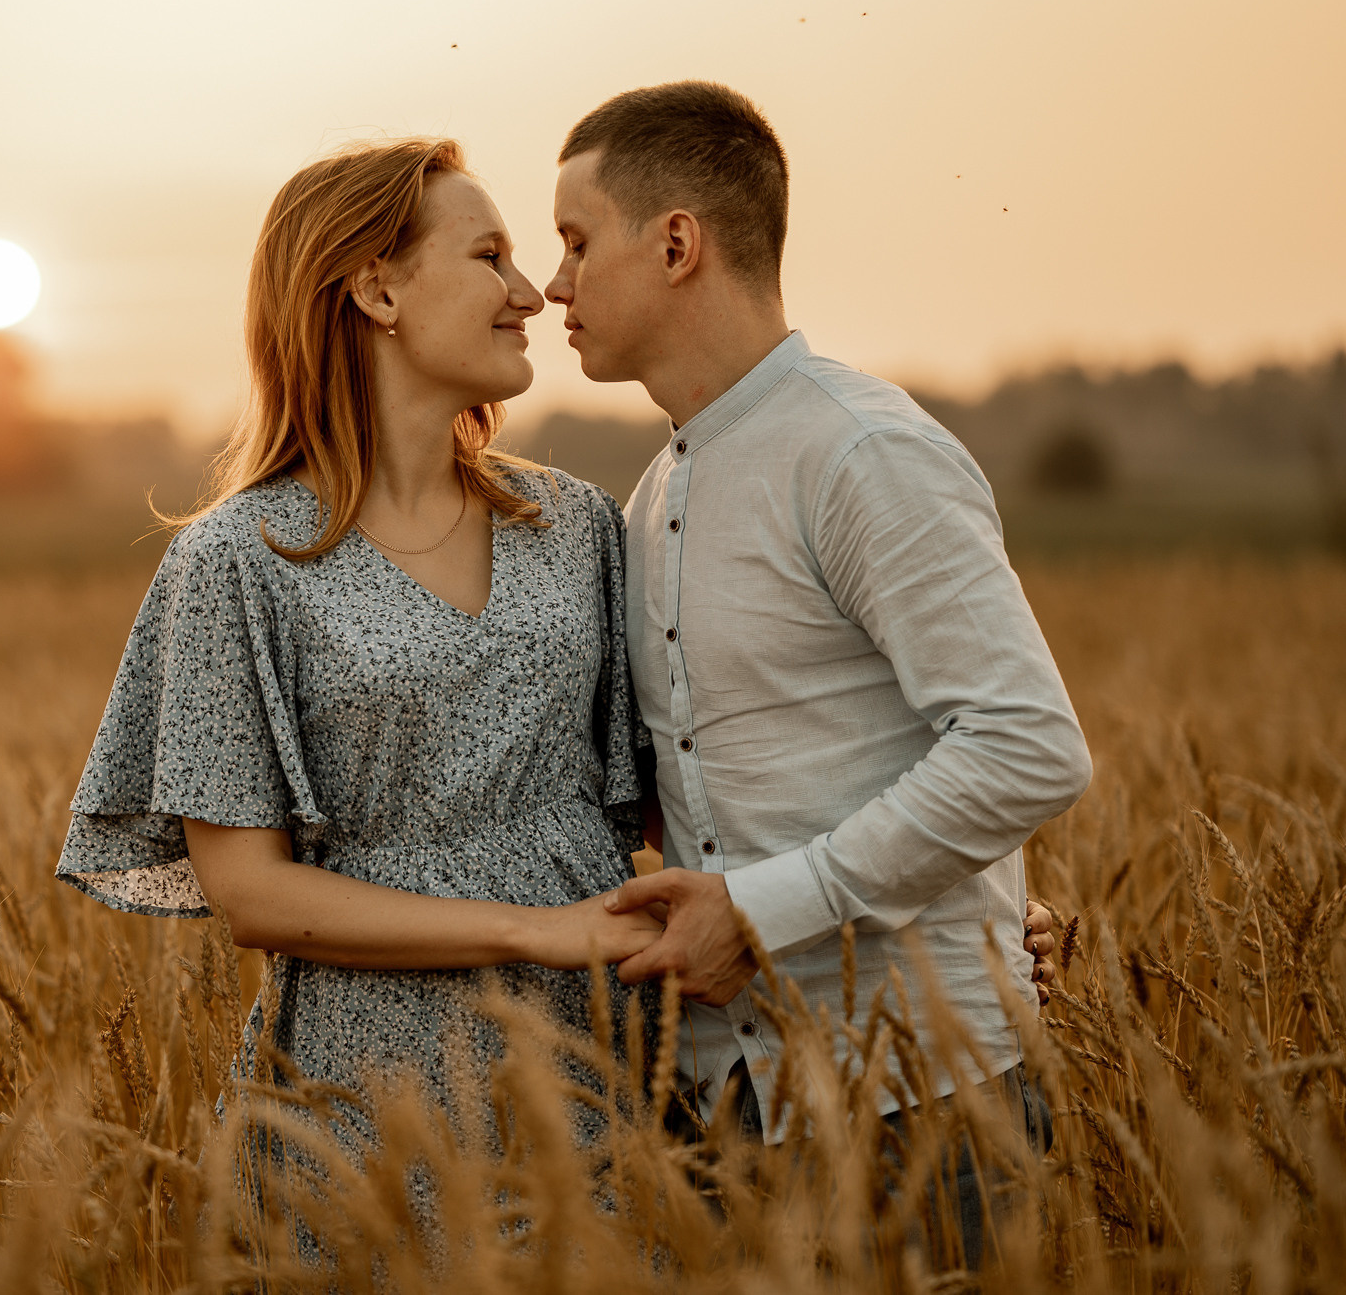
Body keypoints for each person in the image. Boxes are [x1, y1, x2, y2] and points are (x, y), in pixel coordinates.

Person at [547, 82, 1087, 1264]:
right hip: (724, 1102)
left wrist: (758, 910)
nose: (553, 284)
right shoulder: (652, 497)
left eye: (576, 242)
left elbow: (1024, 743)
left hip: (919, 1091)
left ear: (676, 242)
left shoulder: (860, 451)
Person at [54, 139, 668, 1176]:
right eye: (489, 257)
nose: (530, 293)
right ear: (376, 288)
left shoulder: (576, 528)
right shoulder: (235, 562)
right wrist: (535, 931)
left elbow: (693, 783)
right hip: (370, 1092)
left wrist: (949, 903)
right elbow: (252, 894)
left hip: (597, 1060)